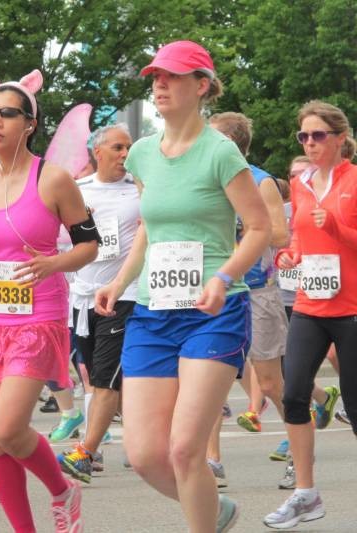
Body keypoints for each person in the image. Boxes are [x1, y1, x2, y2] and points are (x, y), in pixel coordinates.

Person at [94, 41, 271, 533]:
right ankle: (215, 511)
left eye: (172, 76)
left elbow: (259, 229)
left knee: (185, 449)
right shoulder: (143, 154)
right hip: (153, 311)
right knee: (145, 455)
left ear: (202, 86)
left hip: (213, 312)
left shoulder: (220, 152)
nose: (160, 84)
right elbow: (150, 228)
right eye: (156, 76)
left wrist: (223, 276)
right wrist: (119, 280)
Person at [0, 68, 98, 533]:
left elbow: (90, 245)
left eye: (7, 114)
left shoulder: (54, 179)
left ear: (29, 124)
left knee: (9, 428)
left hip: (38, 316)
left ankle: (62, 491)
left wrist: (54, 263)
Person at [265, 100, 357, 529]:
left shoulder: (355, 180)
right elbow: (300, 238)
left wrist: (336, 227)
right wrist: (289, 255)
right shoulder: (299, 183)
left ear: (340, 138)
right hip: (309, 304)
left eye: (318, 135)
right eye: (303, 136)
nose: (310, 142)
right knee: (294, 395)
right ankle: (306, 493)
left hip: (351, 308)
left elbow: (340, 234)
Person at [203, 112, 289, 488]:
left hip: (256, 290)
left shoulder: (259, 180)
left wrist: (243, 229)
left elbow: (281, 235)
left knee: (269, 383)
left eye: (211, 136)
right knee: (208, 379)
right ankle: (212, 461)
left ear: (231, 142)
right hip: (216, 291)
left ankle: (299, 439)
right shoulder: (205, 178)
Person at [56, 123, 138, 484]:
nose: (125, 154)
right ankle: (142, 438)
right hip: (83, 297)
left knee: (105, 378)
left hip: (124, 295)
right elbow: (60, 238)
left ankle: (86, 452)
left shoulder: (139, 189)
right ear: (98, 152)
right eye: (118, 148)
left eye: (128, 147)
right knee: (95, 377)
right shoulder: (79, 190)